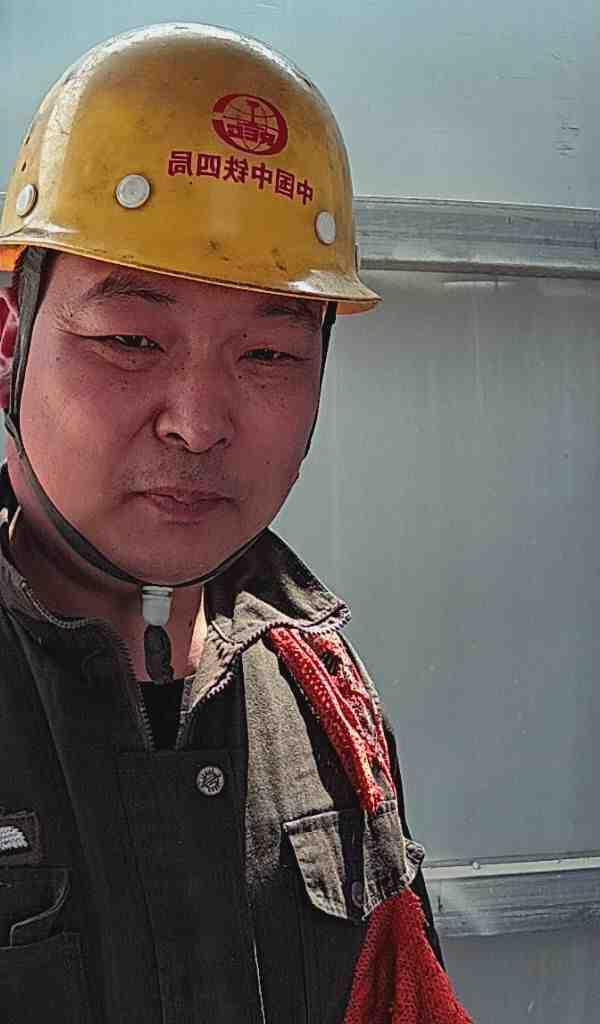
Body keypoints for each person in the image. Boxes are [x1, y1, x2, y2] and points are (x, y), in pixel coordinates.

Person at [0, 23, 472, 1024]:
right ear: (10, 343)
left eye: (268, 355)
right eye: (131, 338)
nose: (199, 422)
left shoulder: (327, 703)